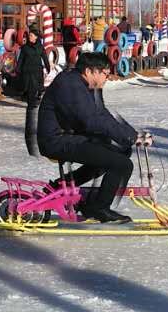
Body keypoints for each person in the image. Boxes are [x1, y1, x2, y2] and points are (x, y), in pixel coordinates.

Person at [36, 52, 141, 223]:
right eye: (105, 74)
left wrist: (131, 135)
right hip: (56, 140)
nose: (106, 79)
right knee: (121, 164)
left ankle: (60, 188)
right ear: (90, 71)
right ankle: (99, 208)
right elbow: (90, 121)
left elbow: (103, 115)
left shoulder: (86, 86)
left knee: (121, 152)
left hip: (70, 136)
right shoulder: (70, 85)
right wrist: (127, 136)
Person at [13, 34, 48, 157]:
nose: (30, 38)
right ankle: (31, 103)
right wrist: (17, 70)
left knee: (36, 90)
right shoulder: (25, 48)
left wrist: (48, 67)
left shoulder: (40, 47)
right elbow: (21, 60)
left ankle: (34, 103)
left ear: (37, 37)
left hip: (37, 72)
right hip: (27, 73)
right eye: (30, 36)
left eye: (33, 36)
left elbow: (44, 57)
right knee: (30, 91)